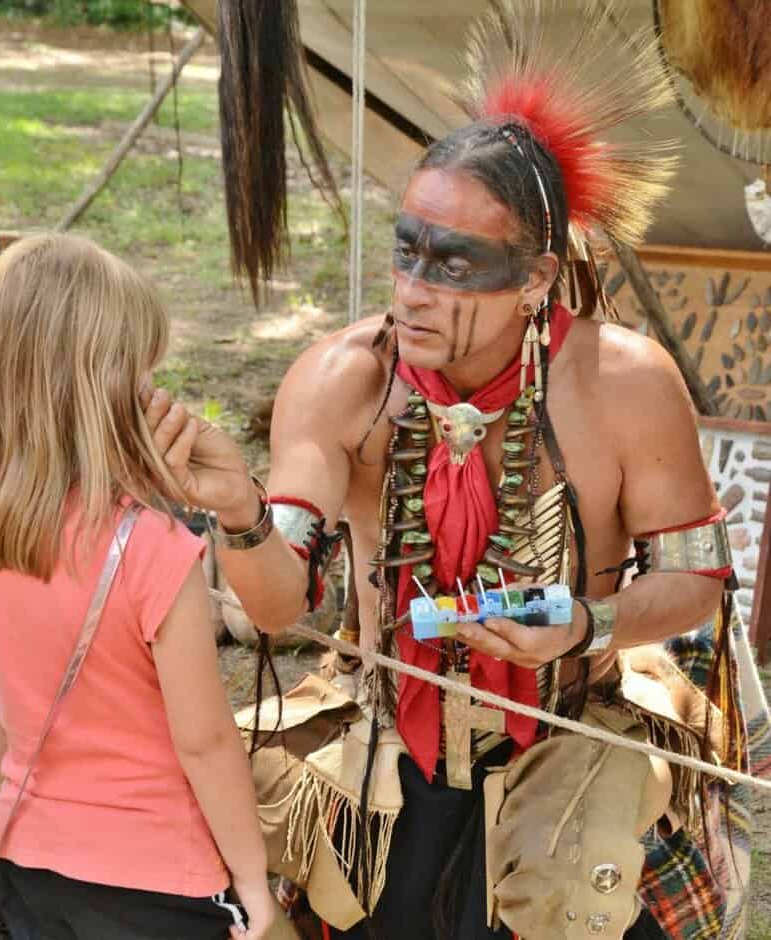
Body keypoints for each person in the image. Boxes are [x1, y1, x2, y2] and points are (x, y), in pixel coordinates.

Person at [145, 3, 766, 939]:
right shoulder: (342, 380)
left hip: (573, 727)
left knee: (578, 901)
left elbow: (695, 587)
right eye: (406, 252)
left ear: (536, 279)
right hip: (392, 741)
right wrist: (241, 515)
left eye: (455, 264)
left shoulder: (628, 385)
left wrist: (585, 627)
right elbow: (278, 607)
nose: (412, 291)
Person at [0, 233, 278, 940]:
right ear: (101, 389)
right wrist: (252, 880)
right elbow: (206, 741)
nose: (154, 394)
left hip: (32, 862)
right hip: (162, 883)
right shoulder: (152, 548)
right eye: (142, 374)